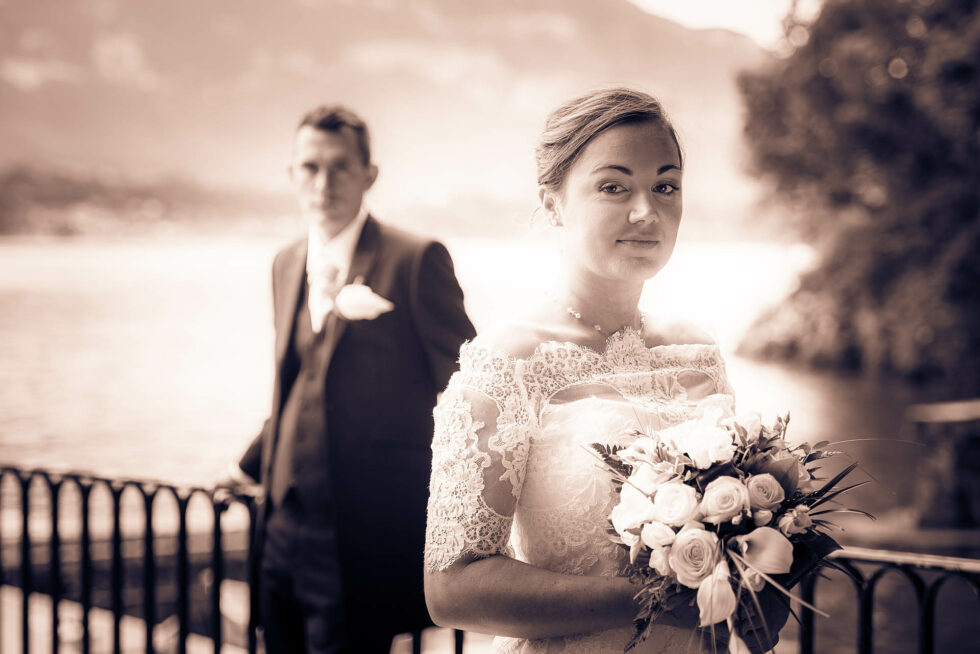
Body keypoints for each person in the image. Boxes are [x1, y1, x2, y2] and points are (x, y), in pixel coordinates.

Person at [423, 88, 790, 653]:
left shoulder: (698, 350)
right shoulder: (505, 365)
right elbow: (452, 588)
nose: (646, 211)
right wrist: (652, 598)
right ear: (553, 203)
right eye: (613, 187)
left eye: (665, 186)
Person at [226, 104, 476, 653]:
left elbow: (472, 392)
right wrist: (246, 466)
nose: (324, 181)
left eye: (340, 166)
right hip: (280, 537)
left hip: (363, 538)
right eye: (310, 167)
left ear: (370, 174)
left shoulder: (415, 259)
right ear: (292, 175)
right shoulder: (285, 263)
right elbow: (297, 383)